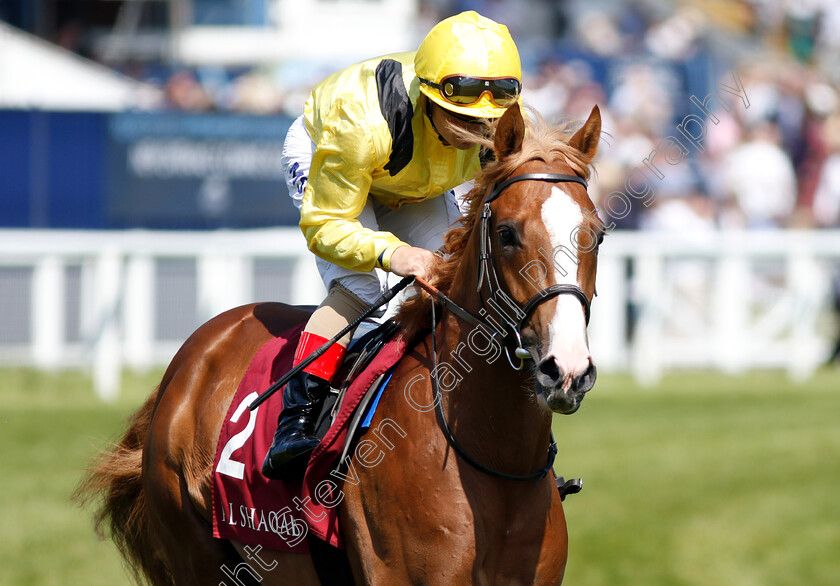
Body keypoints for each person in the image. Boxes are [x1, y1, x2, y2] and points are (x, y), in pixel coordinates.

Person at [263, 10, 523, 479]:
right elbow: (325, 226)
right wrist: (393, 253)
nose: (475, 135)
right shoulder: (359, 124)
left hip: (412, 178)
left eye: (487, 123)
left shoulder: (499, 126)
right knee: (361, 292)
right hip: (333, 157)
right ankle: (296, 421)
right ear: (427, 97)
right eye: (461, 119)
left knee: (450, 283)